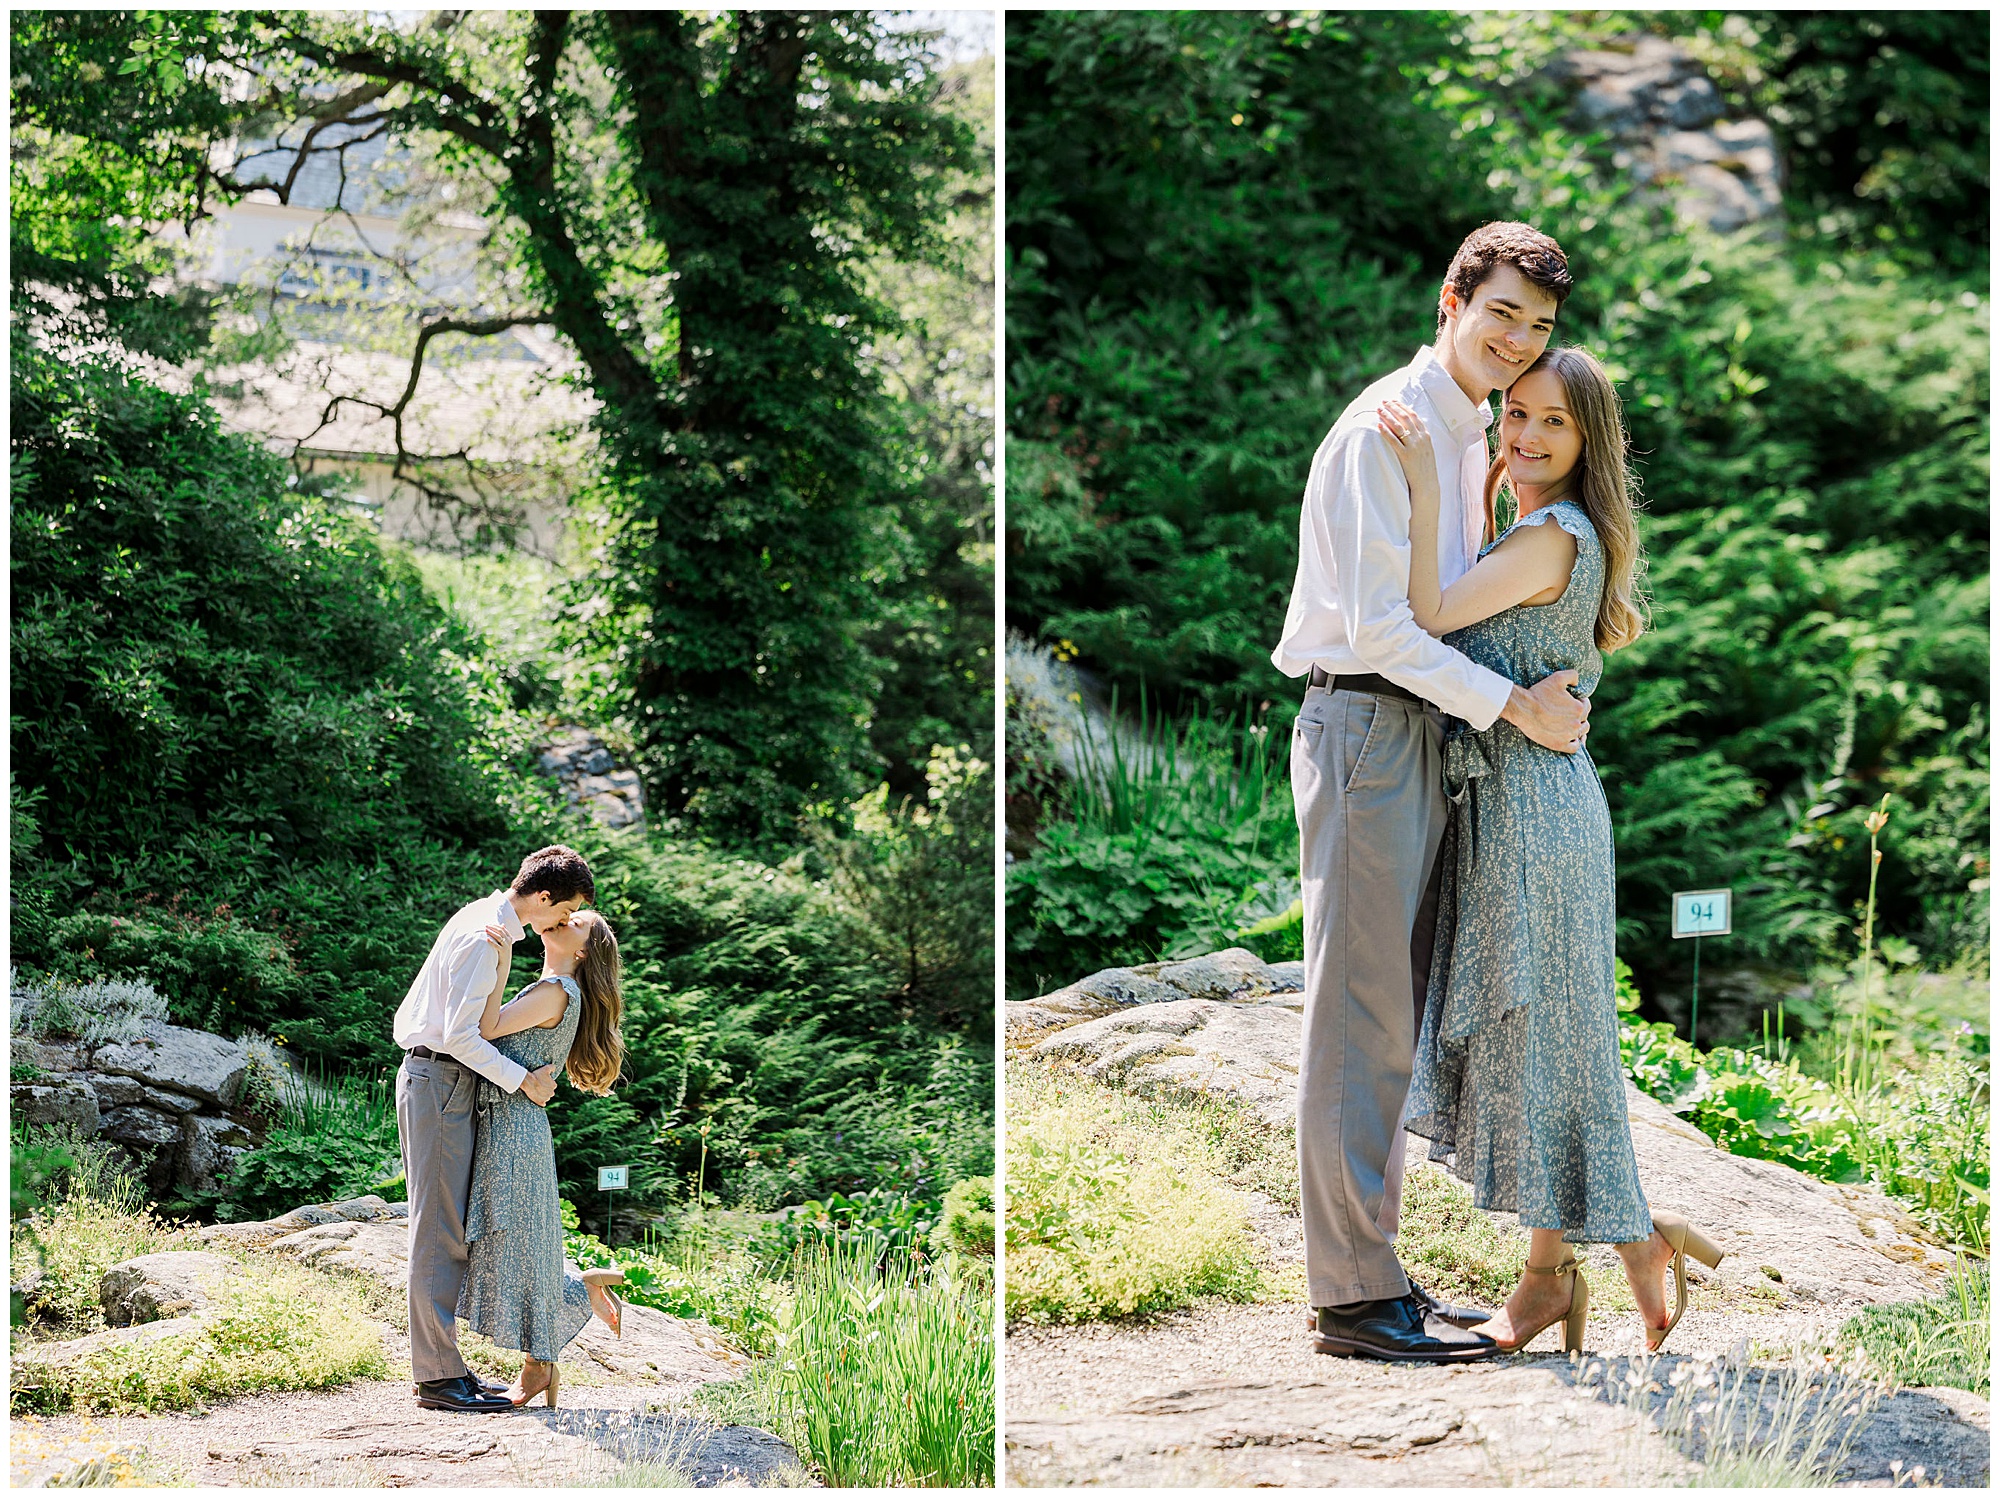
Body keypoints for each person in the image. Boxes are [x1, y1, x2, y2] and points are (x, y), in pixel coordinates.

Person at [1270, 221, 1592, 1363]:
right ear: (1451, 298)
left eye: (1539, 327)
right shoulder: (1383, 431)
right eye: (1501, 312)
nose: (1517, 342)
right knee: (1355, 1019)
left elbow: (1462, 600)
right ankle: (1351, 1301)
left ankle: (1376, 1273)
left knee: (1387, 1014)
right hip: (1365, 721)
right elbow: (1377, 630)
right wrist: (1511, 708)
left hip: (1420, 733)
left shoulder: (1469, 437)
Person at [1379, 345, 1722, 1355]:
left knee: (1545, 1042)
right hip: (1527, 807)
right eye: (1514, 414)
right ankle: (1560, 1270)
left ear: (1587, 443)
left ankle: (1618, 1239)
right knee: (1543, 1044)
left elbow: (1429, 612)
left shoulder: (1549, 535)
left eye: (1551, 424)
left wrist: (1423, 481)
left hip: (1531, 817)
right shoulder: (1538, 528)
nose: (1525, 436)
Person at [391, 845, 594, 1413]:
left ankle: (445, 1368)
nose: (565, 920)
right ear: (546, 897)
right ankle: (436, 1379)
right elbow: (461, 1035)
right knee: (438, 1231)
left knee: (448, 1230)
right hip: (441, 1077)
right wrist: (522, 1081)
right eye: (568, 907)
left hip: (446, 1081)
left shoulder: (492, 926)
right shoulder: (487, 937)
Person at [460, 907, 630, 1407]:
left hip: (513, 1128)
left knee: (509, 1240)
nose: (567, 917)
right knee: (517, 1241)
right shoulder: (553, 990)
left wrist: (502, 954)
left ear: (581, 951)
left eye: (579, 922)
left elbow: (485, 1027)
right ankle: (573, 1304)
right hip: (516, 1125)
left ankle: (539, 1365)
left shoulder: (557, 991)